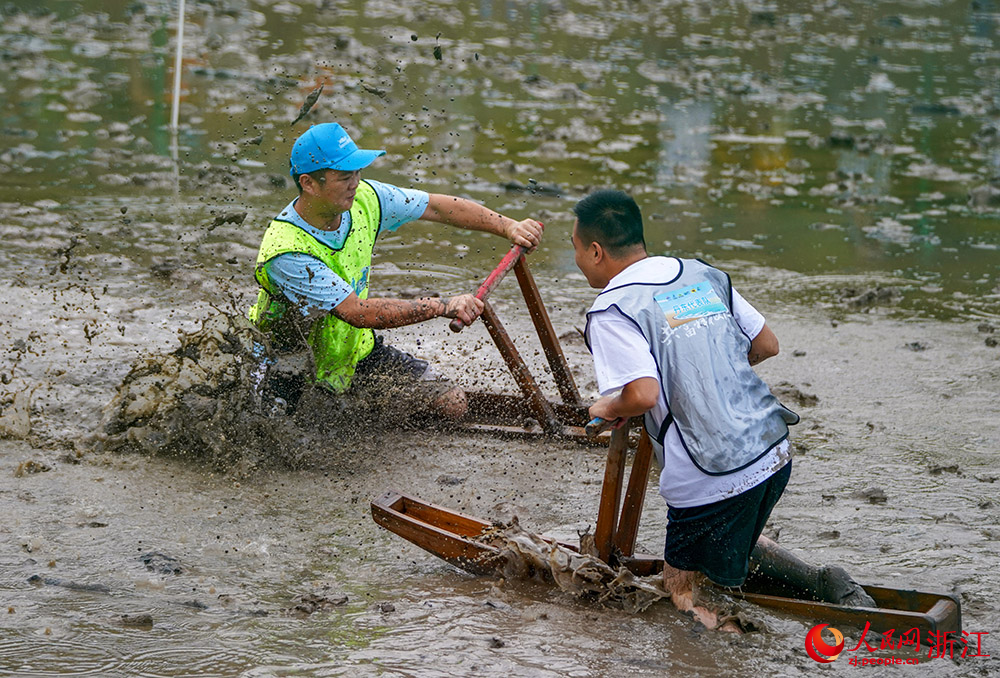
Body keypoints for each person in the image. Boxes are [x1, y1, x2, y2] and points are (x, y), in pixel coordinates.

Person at [571, 189, 873, 630]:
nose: (577, 260)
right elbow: (766, 344)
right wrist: (707, 374)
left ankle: (724, 649)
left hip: (711, 473)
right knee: (732, 539)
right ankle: (821, 580)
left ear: (596, 252)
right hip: (771, 451)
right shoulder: (699, 274)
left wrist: (607, 404)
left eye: (576, 250)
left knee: (682, 591)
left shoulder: (614, 309)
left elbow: (642, 395)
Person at [249, 122, 543, 418]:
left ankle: (362, 410)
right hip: (291, 368)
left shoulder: (366, 197)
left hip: (354, 355)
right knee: (295, 441)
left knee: (451, 403)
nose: (355, 183)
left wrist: (508, 226)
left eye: (357, 171)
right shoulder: (287, 251)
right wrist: (441, 307)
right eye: (343, 176)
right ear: (309, 184)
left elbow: (437, 207)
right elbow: (358, 312)